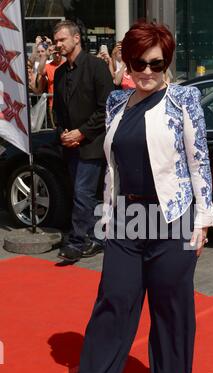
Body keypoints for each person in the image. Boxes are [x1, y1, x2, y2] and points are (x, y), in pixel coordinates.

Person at [70, 21, 213, 373]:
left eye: (158, 62)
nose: (149, 71)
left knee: (171, 310)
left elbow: (198, 160)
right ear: (128, 62)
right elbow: (111, 168)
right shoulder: (118, 102)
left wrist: (202, 221)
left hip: (172, 219)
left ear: (167, 61)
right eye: (140, 63)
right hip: (126, 220)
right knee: (113, 303)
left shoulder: (184, 99)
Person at [53, 20, 114, 261]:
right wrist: (62, 133)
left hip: (92, 143)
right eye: (56, 40)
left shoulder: (96, 67)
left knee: (82, 192)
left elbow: (107, 107)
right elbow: (57, 110)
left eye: (62, 40)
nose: (58, 44)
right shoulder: (59, 72)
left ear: (76, 38)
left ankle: (76, 243)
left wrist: (81, 132)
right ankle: (92, 238)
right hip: (69, 145)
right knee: (81, 194)